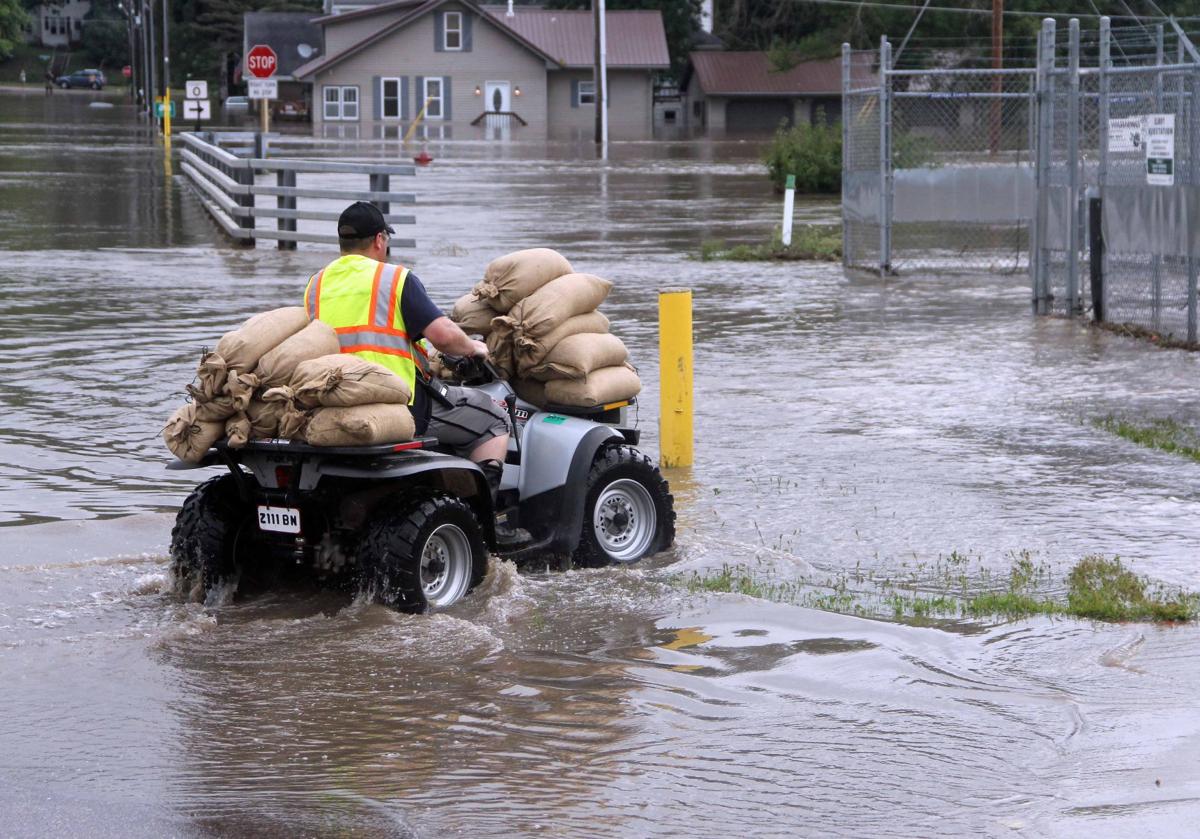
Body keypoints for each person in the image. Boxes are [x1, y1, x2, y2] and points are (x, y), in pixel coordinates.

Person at [305, 201, 514, 506]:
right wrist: (474, 347)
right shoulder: (395, 279)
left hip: (333, 402)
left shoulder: (316, 284)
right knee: (496, 418)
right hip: (399, 405)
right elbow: (443, 336)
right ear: (379, 240)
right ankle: (482, 517)